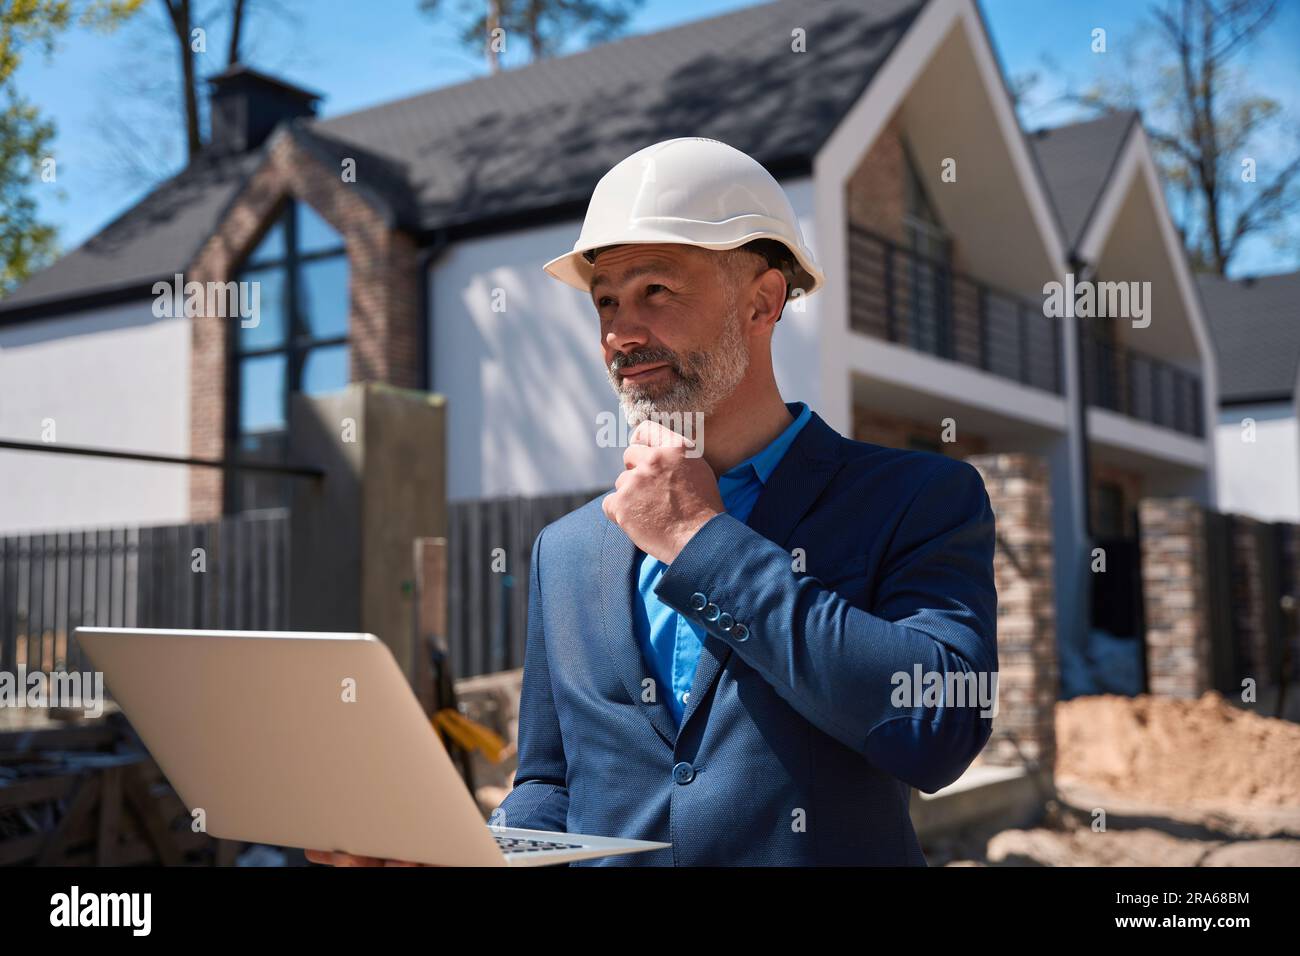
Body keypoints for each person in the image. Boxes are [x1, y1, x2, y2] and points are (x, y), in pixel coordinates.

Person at [311, 137, 998, 867]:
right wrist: (458, 854)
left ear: (763, 301)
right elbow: (552, 782)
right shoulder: (570, 549)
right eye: (605, 301)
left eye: (655, 292)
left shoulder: (916, 498)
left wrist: (701, 540)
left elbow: (939, 726)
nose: (620, 333)